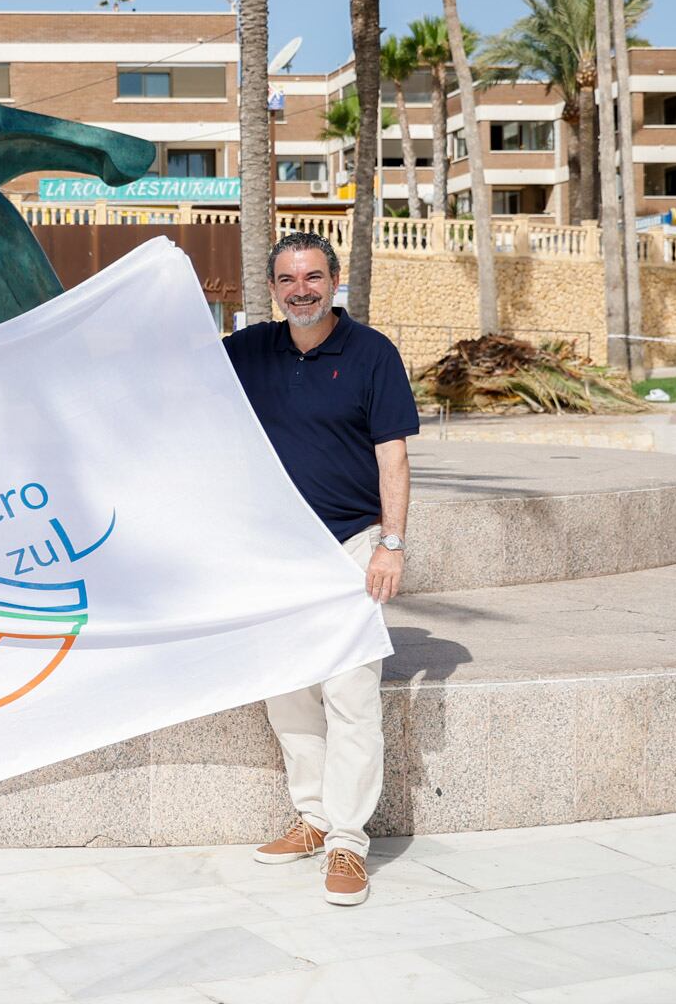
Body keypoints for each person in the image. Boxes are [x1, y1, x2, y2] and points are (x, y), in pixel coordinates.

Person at [223, 232, 417, 907]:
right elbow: (171, 391)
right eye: (286, 279)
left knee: (351, 696)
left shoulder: (372, 354)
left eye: (312, 276)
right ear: (272, 288)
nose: (300, 289)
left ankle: (348, 842)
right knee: (289, 692)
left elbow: (392, 456)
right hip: (277, 554)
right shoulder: (246, 353)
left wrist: (392, 543)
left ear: (334, 279)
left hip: (351, 547)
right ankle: (312, 818)